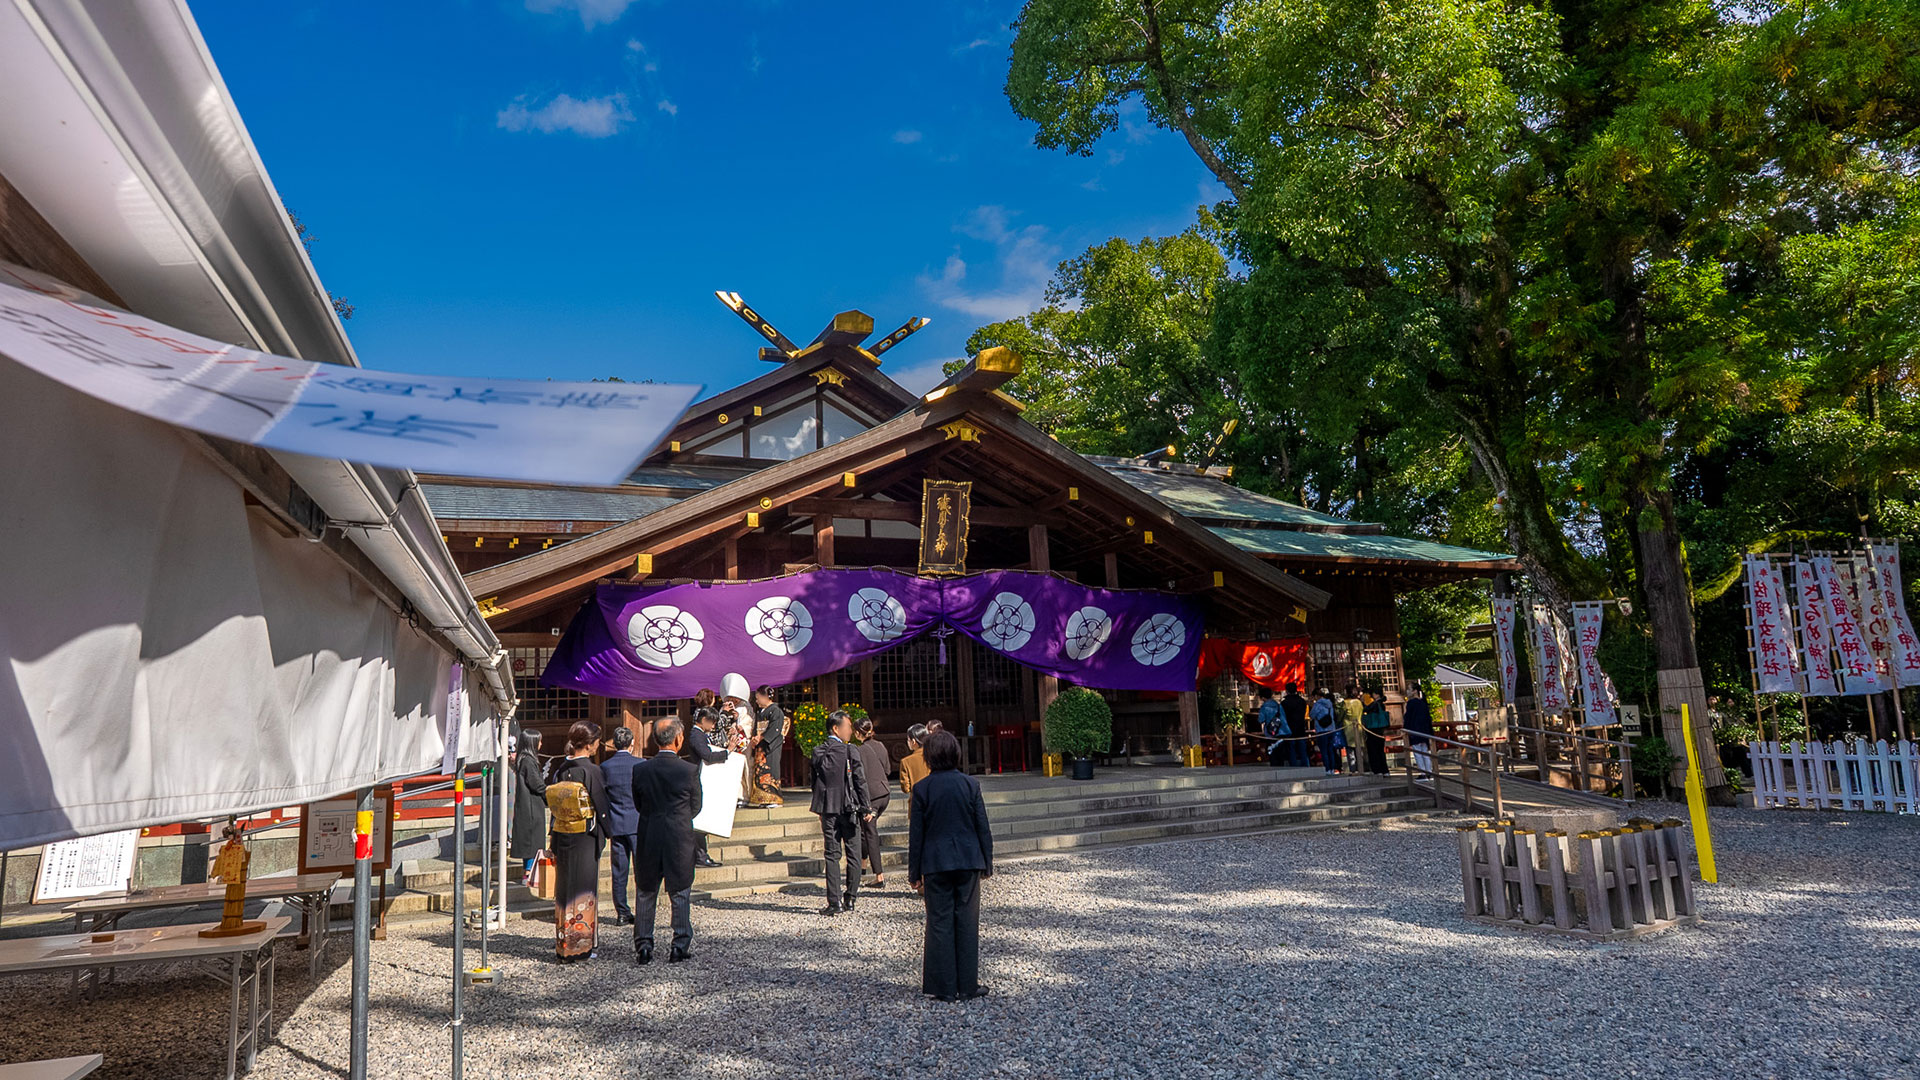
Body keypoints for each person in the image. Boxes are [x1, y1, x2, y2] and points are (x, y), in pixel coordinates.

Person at [908, 730, 993, 1003]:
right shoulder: (970, 785)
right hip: (968, 859)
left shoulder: (922, 789)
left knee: (939, 922)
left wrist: (914, 872)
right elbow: (982, 826)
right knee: (967, 921)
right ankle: (968, 984)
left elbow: (917, 834)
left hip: (935, 861)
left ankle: (944, 986)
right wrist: (987, 862)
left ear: (929, 756)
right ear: (956, 753)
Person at [632, 717, 702, 965]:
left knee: (646, 891)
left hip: (649, 833)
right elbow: (696, 806)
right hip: (678, 835)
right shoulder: (689, 770)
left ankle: (643, 946)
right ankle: (679, 944)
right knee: (680, 890)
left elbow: (638, 804)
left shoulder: (640, 770)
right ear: (678, 739)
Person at [547, 721, 611, 962]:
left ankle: (563, 944)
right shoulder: (592, 771)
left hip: (562, 834)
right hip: (585, 836)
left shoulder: (561, 769)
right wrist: (609, 830)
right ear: (591, 744)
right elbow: (601, 806)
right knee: (583, 891)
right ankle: (581, 947)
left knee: (564, 891)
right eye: (597, 742)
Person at [809, 709, 872, 916]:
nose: (850, 731)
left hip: (828, 808)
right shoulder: (850, 751)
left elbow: (814, 782)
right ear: (836, 728)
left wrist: (819, 805)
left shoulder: (818, 751)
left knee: (832, 855)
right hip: (848, 807)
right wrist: (866, 806)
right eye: (847, 726)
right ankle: (850, 897)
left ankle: (834, 901)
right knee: (853, 853)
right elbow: (859, 781)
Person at [598, 726, 642, 926]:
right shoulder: (640, 764)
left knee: (619, 870)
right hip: (637, 821)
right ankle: (643, 909)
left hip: (616, 822)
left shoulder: (606, 767)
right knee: (642, 869)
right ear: (632, 743)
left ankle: (622, 912)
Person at [682, 696, 730, 868]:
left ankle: (701, 855)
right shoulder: (696, 735)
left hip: (700, 777)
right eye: (711, 723)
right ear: (703, 720)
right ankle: (700, 856)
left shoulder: (699, 734)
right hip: (696, 778)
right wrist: (727, 752)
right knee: (698, 818)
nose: (713, 727)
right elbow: (707, 755)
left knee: (699, 819)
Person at [854, 716, 893, 887]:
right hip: (885, 792)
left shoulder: (860, 750)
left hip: (872, 797)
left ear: (857, 732)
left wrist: (866, 805)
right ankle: (863, 865)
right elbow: (888, 770)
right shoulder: (881, 746)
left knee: (870, 832)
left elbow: (860, 778)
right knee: (864, 829)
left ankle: (879, 876)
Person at [509, 727, 547, 885]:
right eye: (538, 741)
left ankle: (528, 872)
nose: (541, 744)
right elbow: (536, 784)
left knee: (530, 841)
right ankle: (528, 874)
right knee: (533, 841)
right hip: (531, 806)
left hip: (527, 805)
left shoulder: (523, 759)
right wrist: (550, 791)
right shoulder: (528, 761)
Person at [753, 684, 788, 792]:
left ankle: (773, 797)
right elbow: (757, 727)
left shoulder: (776, 711)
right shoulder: (760, 712)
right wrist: (755, 737)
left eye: (758, 698)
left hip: (771, 744)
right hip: (761, 743)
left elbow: (774, 729)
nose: (757, 701)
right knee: (760, 770)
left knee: (771, 768)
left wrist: (762, 737)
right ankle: (762, 797)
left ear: (766, 697)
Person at [1403, 685, 1435, 778]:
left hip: (1415, 730)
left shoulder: (1411, 703)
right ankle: (1429, 772)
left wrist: (1406, 729)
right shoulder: (1423, 703)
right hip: (1424, 731)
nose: (1407, 691)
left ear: (1414, 691)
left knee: (1418, 753)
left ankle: (1422, 773)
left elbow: (1408, 718)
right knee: (1425, 752)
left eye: (1409, 689)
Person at [1361, 686, 1392, 775]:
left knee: (1373, 750)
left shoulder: (1375, 704)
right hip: (1380, 730)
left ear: (1377, 694)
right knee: (1380, 750)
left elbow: (1365, 709)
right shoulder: (1382, 703)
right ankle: (1384, 770)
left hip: (1373, 729)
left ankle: (1377, 769)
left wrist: (1362, 703)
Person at [1309, 688, 1340, 776]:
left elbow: (1311, 715)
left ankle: (1327, 768)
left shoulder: (1317, 704)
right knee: (1330, 749)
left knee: (1324, 750)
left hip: (1321, 729)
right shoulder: (1330, 703)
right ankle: (1332, 768)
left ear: (1316, 696)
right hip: (1331, 729)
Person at [1280, 683, 1311, 768]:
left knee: (1291, 749)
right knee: (1302, 749)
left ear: (1287, 691)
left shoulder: (1284, 703)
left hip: (1289, 728)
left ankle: (1293, 767)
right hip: (1301, 727)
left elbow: (1282, 716)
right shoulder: (1302, 701)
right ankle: (1305, 765)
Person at [899, 724, 931, 801]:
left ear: (913, 741)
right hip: (934, 801)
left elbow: (905, 788)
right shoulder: (934, 757)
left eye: (908, 740)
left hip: (916, 801)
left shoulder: (906, 762)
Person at [1256, 687, 1286, 767]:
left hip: (1271, 733)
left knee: (1272, 753)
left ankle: (1274, 769)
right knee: (1280, 754)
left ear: (1262, 697)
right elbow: (1283, 718)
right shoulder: (1279, 706)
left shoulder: (1264, 707)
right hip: (1281, 732)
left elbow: (1260, 720)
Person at [1340, 683, 1365, 775]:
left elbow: (1341, 715)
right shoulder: (1359, 702)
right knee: (1358, 749)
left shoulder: (1345, 703)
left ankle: (1352, 769)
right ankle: (1360, 768)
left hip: (1348, 727)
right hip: (1358, 726)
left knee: (1350, 751)